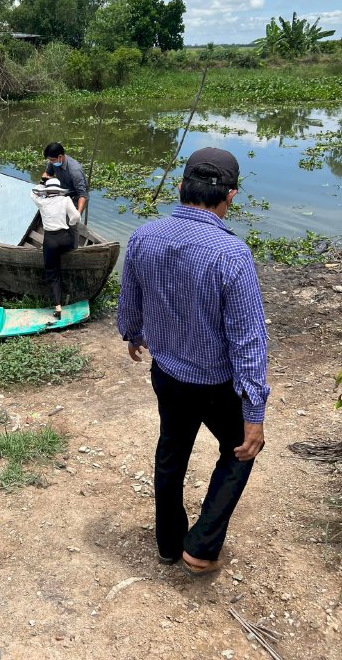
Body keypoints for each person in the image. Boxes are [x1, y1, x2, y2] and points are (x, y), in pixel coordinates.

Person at [117, 147, 269, 576]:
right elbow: (248, 341)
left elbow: (130, 302)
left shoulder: (144, 237)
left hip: (167, 373)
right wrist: (254, 411)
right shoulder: (231, 254)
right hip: (217, 385)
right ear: (232, 196)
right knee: (242, 449)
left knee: (172, 451)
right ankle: (200, 547)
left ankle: (168, 543)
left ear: (181, 187)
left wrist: (133, 333)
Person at [30, 178, 81, 319]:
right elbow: (76, 216)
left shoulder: (42, 201)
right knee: (72, 231)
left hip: (50, 241)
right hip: (65, 240)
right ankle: (75, 250)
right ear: (59, 190)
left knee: (52, 273)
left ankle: (58, 306)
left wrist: (41, 182)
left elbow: (32, 193)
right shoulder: (65, 200)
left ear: (47, 191)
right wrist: (70, 223)